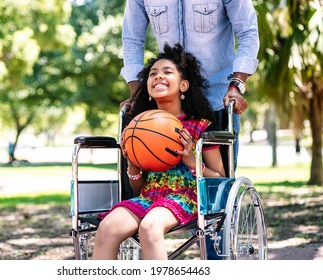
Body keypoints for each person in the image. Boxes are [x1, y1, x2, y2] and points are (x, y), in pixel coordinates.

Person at [93, 44, 225, 260]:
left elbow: (221, 179)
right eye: (153, 74)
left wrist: (193, 162)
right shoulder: (138, 128)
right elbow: (139, 186)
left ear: (183, 85)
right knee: (108, 228)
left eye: (167, 72)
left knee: (150, 227)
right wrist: (133, 165)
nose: (158, 77)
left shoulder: (200, 127)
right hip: (149, 197)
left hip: (188, 197)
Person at [120, 0, 260, 169]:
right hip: (167, 108)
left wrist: (236, 86)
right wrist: (137, 96)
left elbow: (248, 33)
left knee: (218, 186)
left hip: (217, 100)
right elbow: (132, 40)